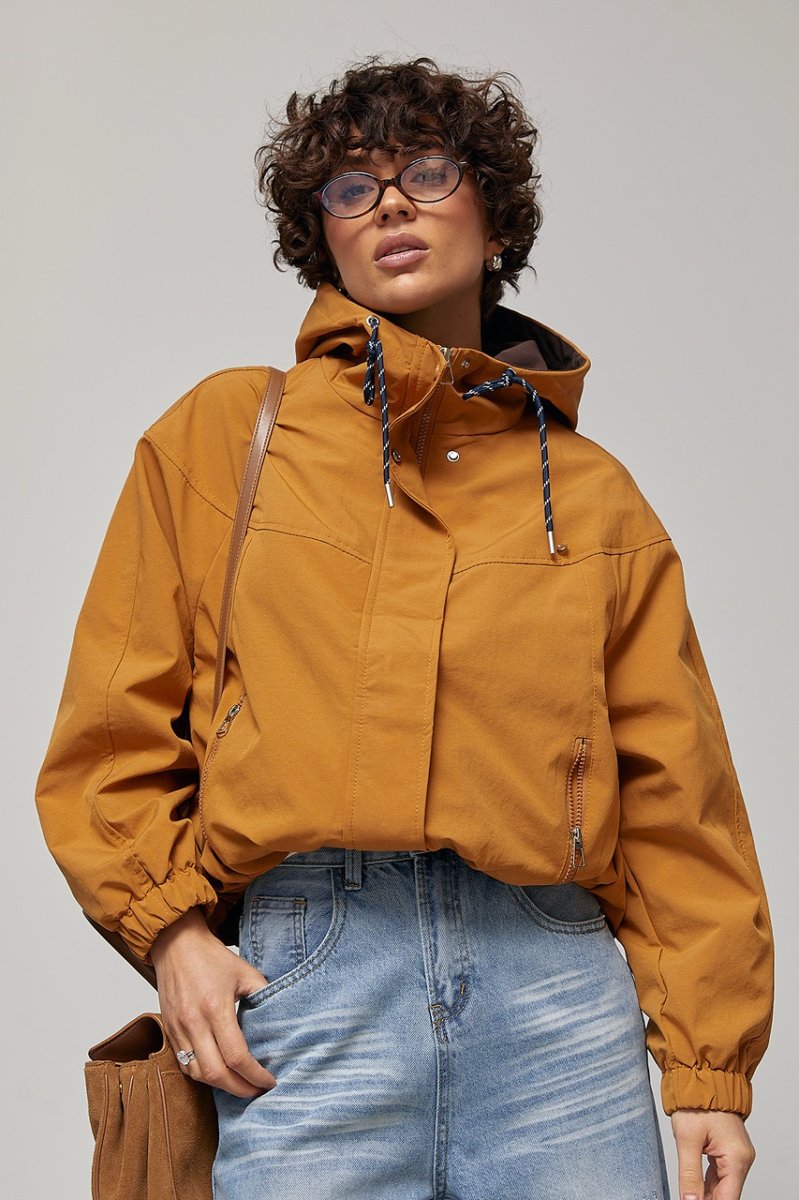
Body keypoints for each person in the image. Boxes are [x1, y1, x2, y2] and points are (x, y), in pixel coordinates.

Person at [35, 55, 774, 1200]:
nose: (387, 204)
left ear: (493, 217)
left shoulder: (593, 498)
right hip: (310, 983)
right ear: (320, 239)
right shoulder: (225, 437)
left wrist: (707, 1069)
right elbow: (109, 736)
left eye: (425, 172)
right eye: (350, 187)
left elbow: (678, 800)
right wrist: (172, 935)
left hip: (556, 1000)